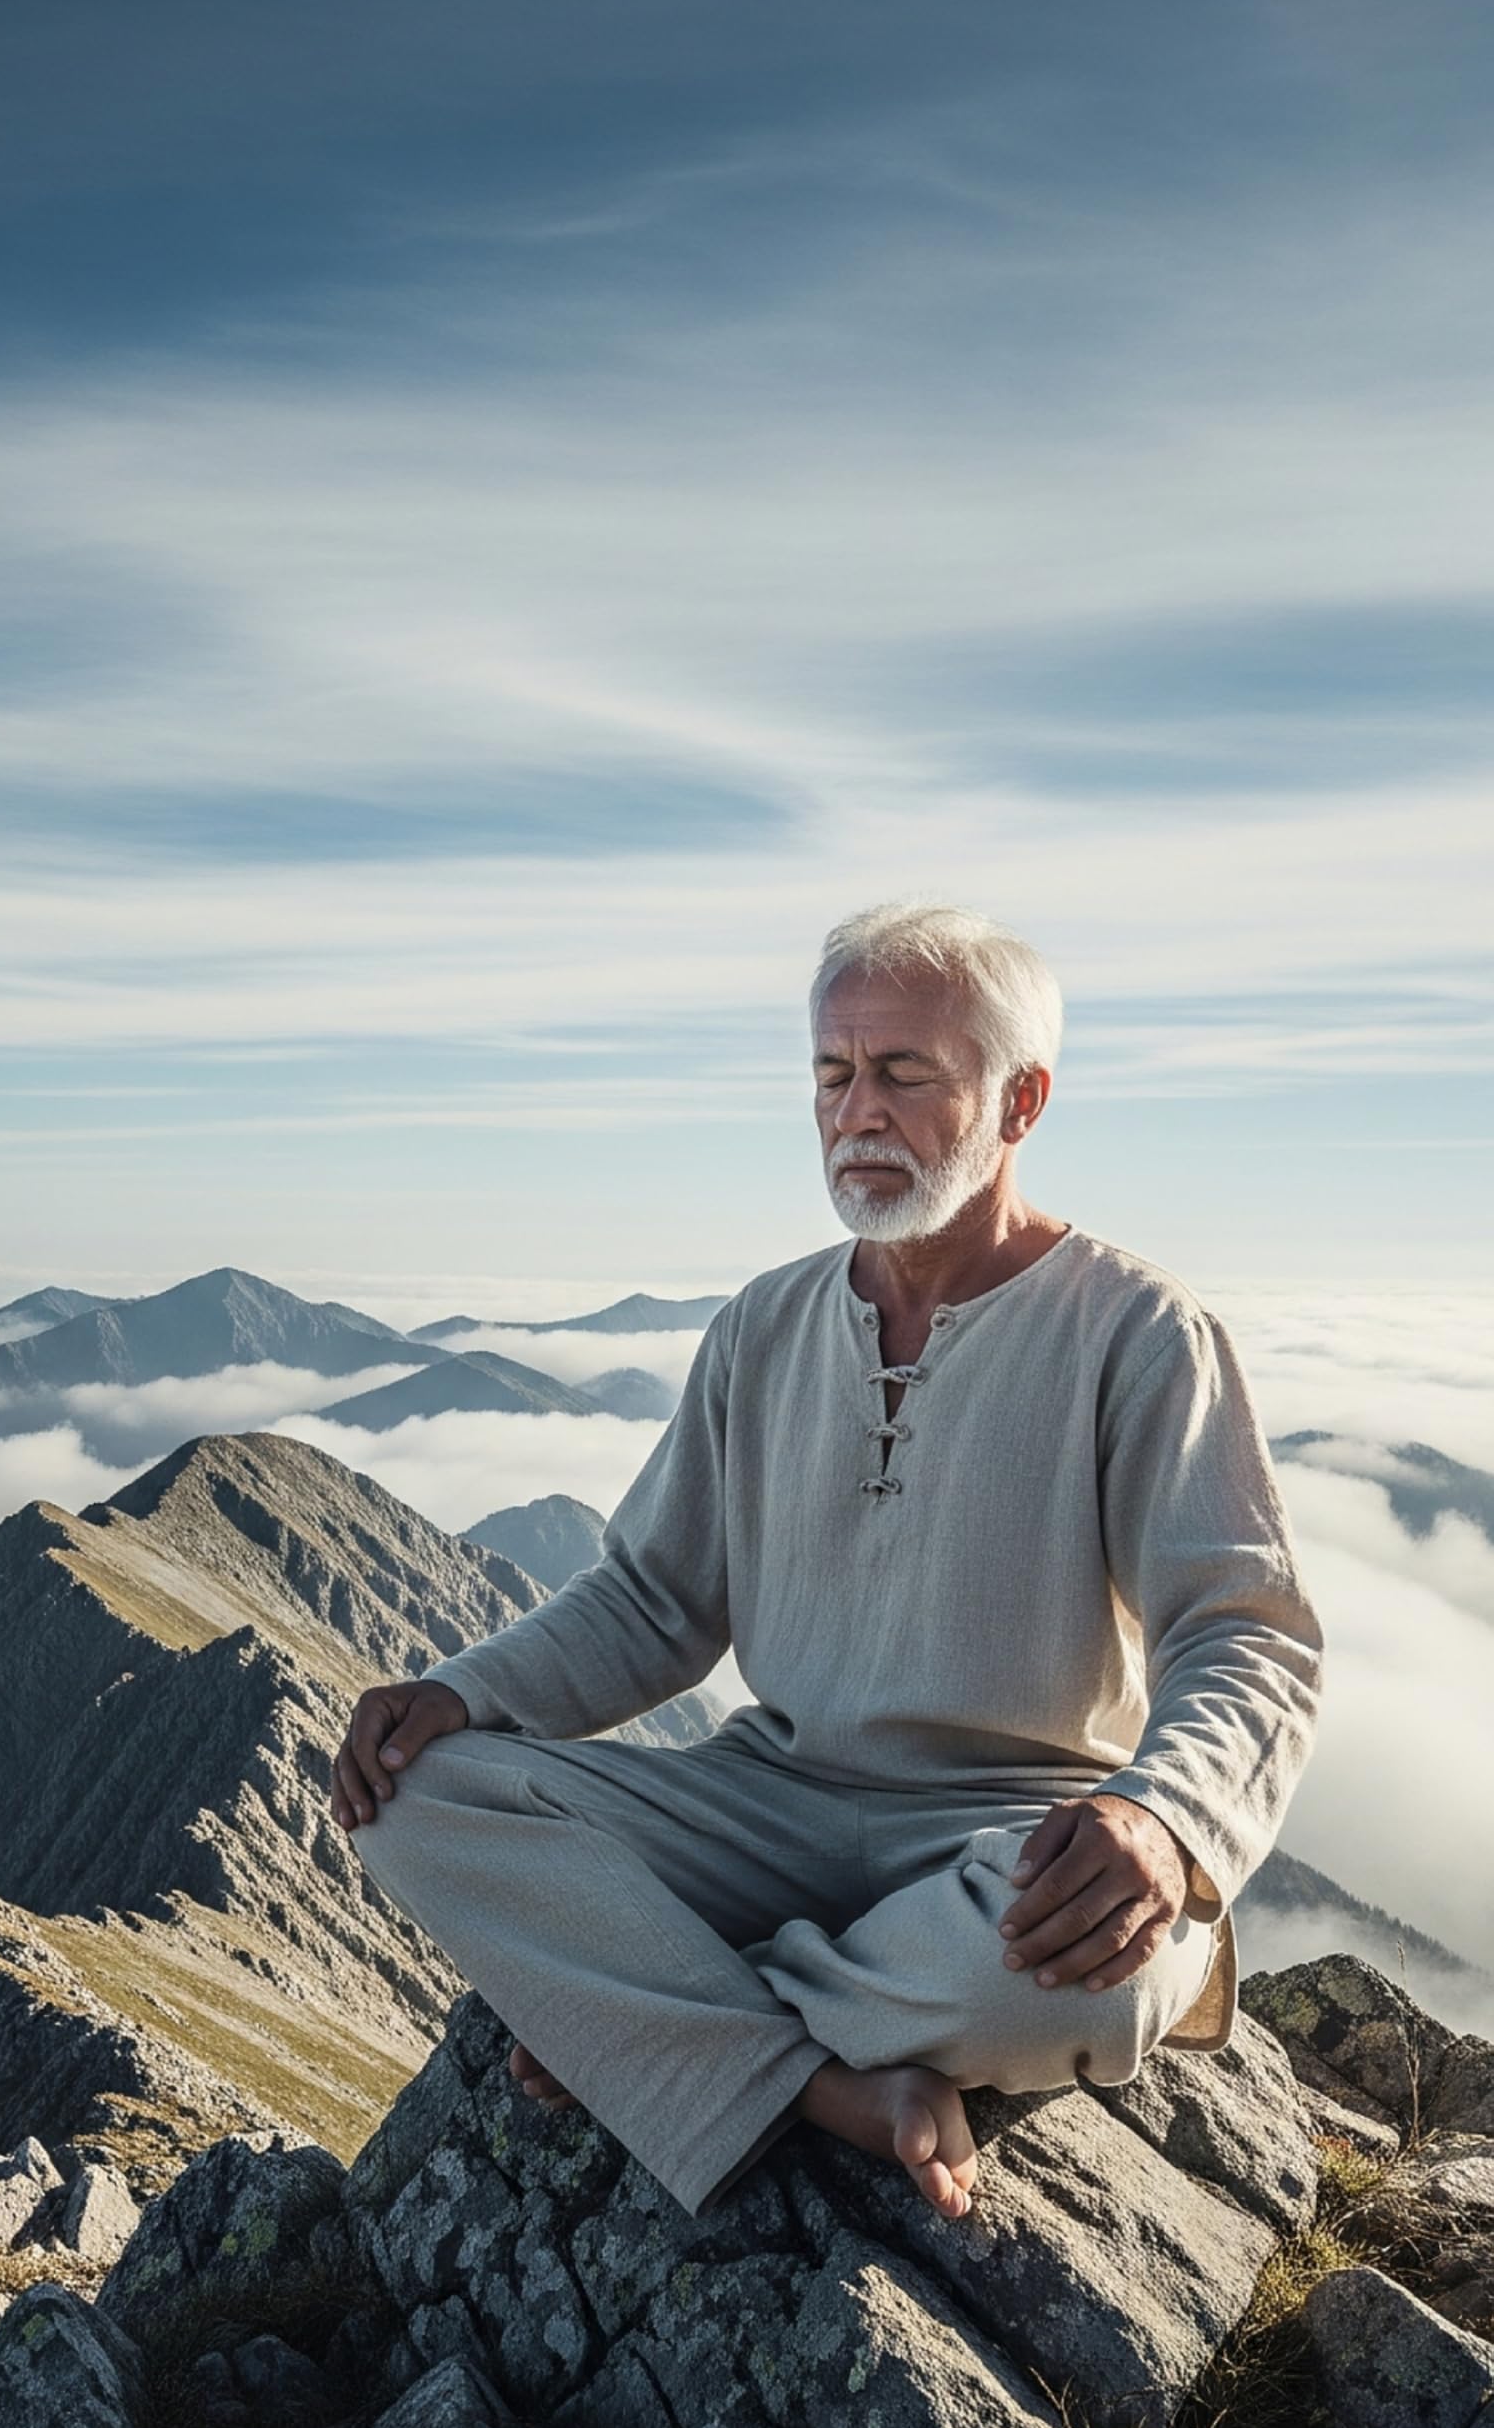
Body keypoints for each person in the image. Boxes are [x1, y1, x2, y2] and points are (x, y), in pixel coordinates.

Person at [329, 900, 1323, 2223]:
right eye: (832, 1073)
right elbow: (653, 1599)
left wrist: (1162, 1817)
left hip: (1008, 1832)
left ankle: (668, 2018)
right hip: (767, 1801)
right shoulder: (763, 1326)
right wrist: (454, 1694)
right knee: (415, 1795)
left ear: (1020, 1101)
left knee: (1128, 1974)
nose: (857, 1109)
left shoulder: (1140, 1333)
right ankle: (821, 2076)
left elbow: (1245, 1628)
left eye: (904, 1073)